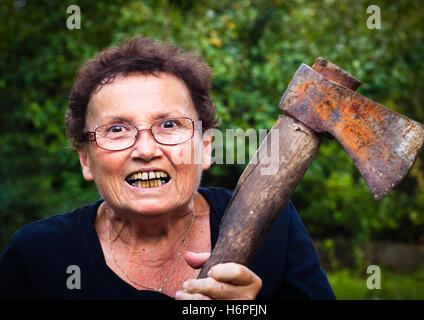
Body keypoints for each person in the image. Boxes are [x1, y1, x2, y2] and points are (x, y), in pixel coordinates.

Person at [0, 36, 335, 300]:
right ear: (86, 159)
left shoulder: (275, 228)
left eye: (170, 125)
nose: (146, 150)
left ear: (205, 148)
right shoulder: (37, 256)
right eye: (116, 129)